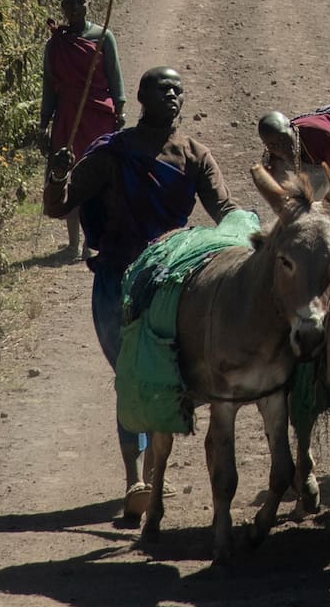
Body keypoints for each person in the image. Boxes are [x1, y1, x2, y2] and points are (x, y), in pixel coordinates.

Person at [47, 65, 234, 519]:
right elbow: (58, 207)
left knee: (160, 376)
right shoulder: (114, 154)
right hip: (117, 280)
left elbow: (224, 209)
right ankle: (136, 478)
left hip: (169, 282)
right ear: (142, 98)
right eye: (161, 88)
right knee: (131, 377)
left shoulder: (194, 155)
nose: (172, 95)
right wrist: (56, 177)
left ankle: (149, 478)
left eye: (178, 89)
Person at [39, 0, 124, 261]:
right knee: (68, 176)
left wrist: (120, 109)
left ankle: (92, 241)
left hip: (98, 115)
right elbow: (49, 87)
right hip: (66, 117)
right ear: (62, 7)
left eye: (80, 4)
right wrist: (44, 121)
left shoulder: (103, 37)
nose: (74, 9)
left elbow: (115, 77)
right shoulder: (56, 44)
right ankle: (73, 243)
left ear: (89, 4)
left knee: (96, 177)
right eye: (69, 4)